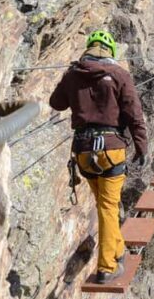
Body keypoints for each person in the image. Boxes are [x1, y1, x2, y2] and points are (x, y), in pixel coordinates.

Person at [49, 30, 147, 283]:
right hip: (111, 150)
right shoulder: (119, 74)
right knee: (108, 206)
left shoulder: (73, 74)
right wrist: (141, 146)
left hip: (83, 151)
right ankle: (107, 267)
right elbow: (134, 113)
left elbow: (57, 103)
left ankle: (117, 250)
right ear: (110, 52)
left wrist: (71, 80)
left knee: (105, 205)